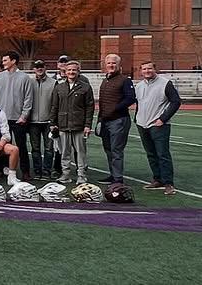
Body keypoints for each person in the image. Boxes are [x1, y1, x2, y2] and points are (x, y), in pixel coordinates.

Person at [135, 61, 181, 196]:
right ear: (141, 71)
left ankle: (168, 183)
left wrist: (163, 119)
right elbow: (139, 103)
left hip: (158, 125)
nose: (147, 71)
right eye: (144, 69)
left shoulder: (165, 83)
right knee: (150, 153)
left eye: (149, 68)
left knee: (163, 154)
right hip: (142, 124)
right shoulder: (139, 86)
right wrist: (137, 118)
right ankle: (157, 179)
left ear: (155, 69)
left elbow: (176, 102)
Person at [49, 60, 93, 185]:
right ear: (65, 72)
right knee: (64, 152)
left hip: (79, 126)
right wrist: (53, 123)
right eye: (69, 70)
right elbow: (54, 106)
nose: (71, 72)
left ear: (78, 71)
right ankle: (65, 174)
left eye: (74, 70)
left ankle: (81, 175)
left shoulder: (85, 87)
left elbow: (89, 107)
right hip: (63, 125)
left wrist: (87, 125)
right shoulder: (59, 87)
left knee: (81, 153)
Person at [0, 52, 33, 179]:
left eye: (5, 60)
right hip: (1, 118)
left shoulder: (25, 78)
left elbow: (28, 98)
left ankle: (25, 171)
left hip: (18, 119)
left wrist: (24, 115)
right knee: (0, 145)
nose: (2, 63)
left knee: (21, 146)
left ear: (13, 61)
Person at [97, 53, 136, 185]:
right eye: (109, 63)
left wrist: (115, 108)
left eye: (114, 63)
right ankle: (113, 174)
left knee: (116, 150)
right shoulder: (105, 80)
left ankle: (118, 178)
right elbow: (102, 102)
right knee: (108, 149)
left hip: (118, 119)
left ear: (119, 65)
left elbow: (130, 98)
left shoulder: (125, 80)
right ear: (105, 65)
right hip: (105, 120)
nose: (111, 65)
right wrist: (100, 119)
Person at [28, 60, 56, 179]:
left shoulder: (53, 83)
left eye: (41, 66)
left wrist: (53, 120)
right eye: (37, 67)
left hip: (48, 121)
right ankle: (37, 170)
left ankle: (46, 170)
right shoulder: (29, 82)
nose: (39, 69)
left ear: (45, 68)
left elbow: (55, 103)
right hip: (33, 122)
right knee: (35, 148)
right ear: (34, 69)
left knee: (49, 148)